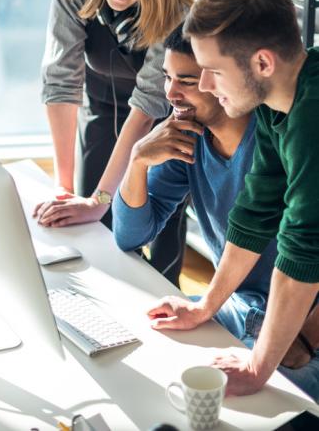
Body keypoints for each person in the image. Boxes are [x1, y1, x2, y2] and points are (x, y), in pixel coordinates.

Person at [112, 24, 319, 399]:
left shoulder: (286, 136)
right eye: (168, 78)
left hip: (300, 327)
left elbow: (306, 247)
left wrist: (302, 338)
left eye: (189, 80)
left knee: (243, 406)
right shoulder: (186, 137)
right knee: (140, 344)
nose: (172, 93)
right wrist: (138, 159)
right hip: (238, 308)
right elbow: (129, 234)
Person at [34, 0, 194, 284]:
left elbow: (147, 106)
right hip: (102, 104)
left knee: (150, 218)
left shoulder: (177, 11)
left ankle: (161, 293)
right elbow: (61, 84)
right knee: (91, 216)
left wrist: (100, 200)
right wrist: (65, 188)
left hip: (162, 119)